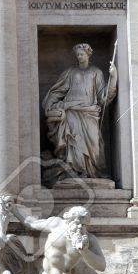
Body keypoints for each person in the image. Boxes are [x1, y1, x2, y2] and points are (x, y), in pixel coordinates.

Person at [43, 43, 117, 178]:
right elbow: (58, 91)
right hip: (71, 110)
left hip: (90, 112)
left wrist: (113, 77)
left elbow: (104, 96)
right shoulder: (70, 72)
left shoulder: (96, 72)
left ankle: (91, 172)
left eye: (82, 54)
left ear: (88, 55)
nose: (79, 57)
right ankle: (76, 171)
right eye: (77, 55)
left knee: (94, 144)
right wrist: (50, 103)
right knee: (74, 140)